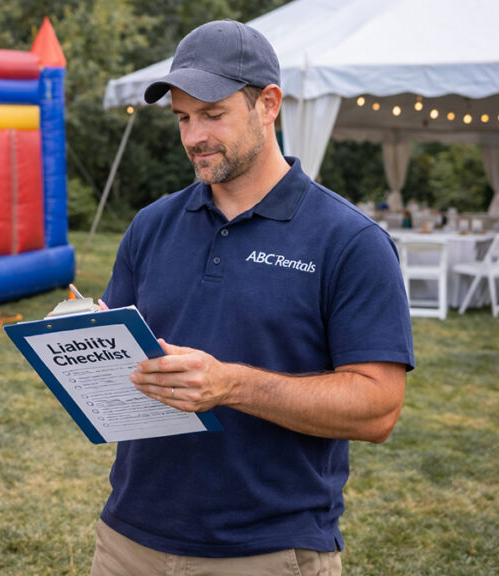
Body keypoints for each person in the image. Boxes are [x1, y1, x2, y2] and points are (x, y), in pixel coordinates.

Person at [90, 19, 414, 576]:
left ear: (268, 105)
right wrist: (85, 348)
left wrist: (231, 385)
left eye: (212, 114)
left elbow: (379, 408)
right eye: (183, 118)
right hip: (129, 540)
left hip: (269, 551)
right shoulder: (151, 225)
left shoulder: (350, 241)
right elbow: (122, 366)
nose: (194, 136)